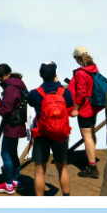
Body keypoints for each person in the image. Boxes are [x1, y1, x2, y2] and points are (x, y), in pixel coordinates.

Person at [28, 61, 75, 196]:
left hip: (42, 134)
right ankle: (66, 197)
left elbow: (31, 103)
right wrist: (58, 84)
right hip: (61, 134)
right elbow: (70, 104)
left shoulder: (34, 93)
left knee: (39, 171)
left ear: (40, 75)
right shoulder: (65, 92)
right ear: (55, 74)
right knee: (62, 168)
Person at [0, 64, 28, 194]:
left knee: (6, 154)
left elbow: (6, 111)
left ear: (6, 74)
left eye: (0, 76)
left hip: (12, 125)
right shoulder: (19, 84)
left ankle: (8, 185)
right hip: (19, 123)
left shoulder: (10, 88)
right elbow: (13, 104)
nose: (0, 79)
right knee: (13, 153)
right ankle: (16, 182)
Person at [69, 47, 104, 179]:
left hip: (85, 109)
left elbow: (82, 93)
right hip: (94, 106)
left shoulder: (81, 73)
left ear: (77, 58)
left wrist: (76, 109)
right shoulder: (94, 68)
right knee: (91, 132)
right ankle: (90, 157)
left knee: (87, 136)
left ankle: (92, 166)